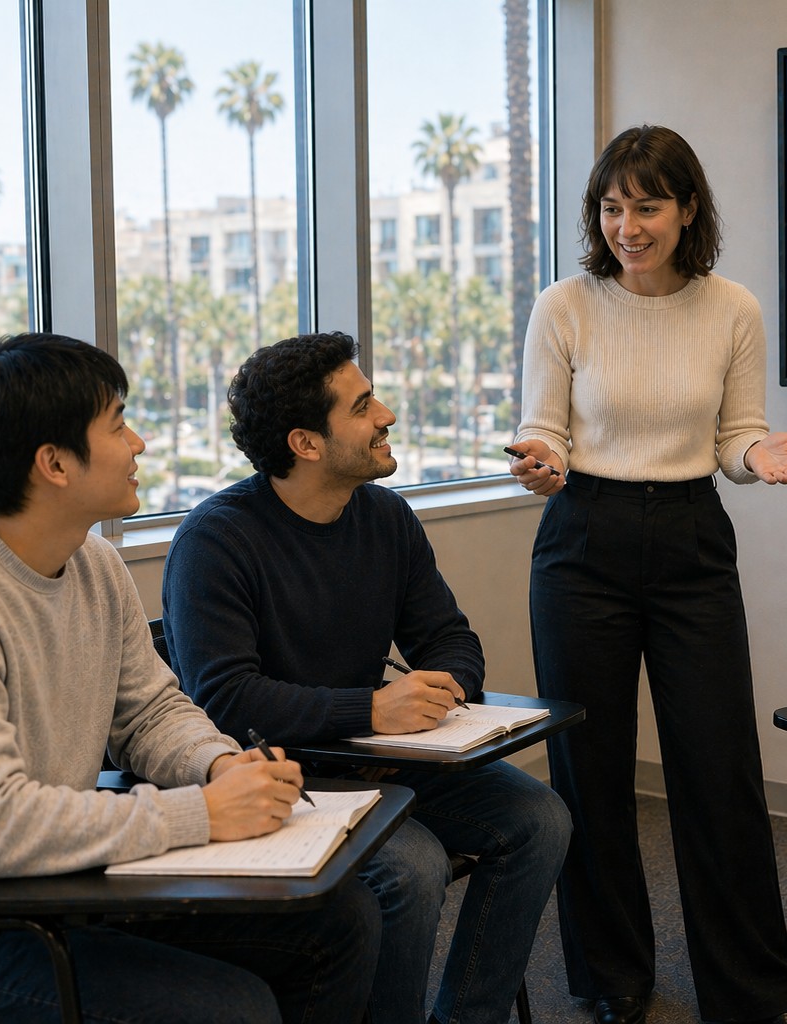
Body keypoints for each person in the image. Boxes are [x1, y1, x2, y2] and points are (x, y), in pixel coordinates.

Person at [0, 333, 379, 1023]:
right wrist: (202, 813)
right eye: (118, 425)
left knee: (340, 921)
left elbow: (148, 713)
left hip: (66, 884)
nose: (138, 443)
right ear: (55, 463)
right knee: (228, 1009)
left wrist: (220, 766)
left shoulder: (94, 562)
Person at [162, 331, 571, 1024]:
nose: (386, 415)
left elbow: (450, 639)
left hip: (384, 760)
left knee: (541, 819)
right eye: (361, 406)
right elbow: (225, 701)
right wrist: (372, 714)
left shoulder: (385, 515)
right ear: (305, 443)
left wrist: (436, 694)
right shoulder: (216, 540)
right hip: (286, 776)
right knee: (412, 869)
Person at [506, 123, 787, 1024]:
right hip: (582, 538)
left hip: (690, 540)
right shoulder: (564, 305)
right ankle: (611, 978)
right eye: (611, 208)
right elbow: (544, 428)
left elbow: (735, 437)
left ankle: (749, 988)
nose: (627, 227)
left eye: (646, 207)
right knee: (589, 769)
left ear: (686, 210)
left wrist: (760, 457)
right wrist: (537, 460)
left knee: (719, 770)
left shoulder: (732, 308)